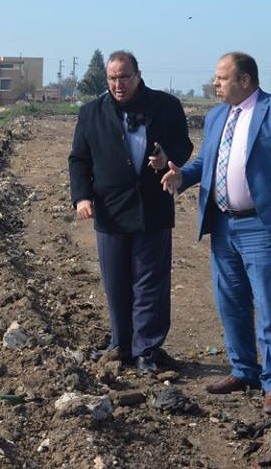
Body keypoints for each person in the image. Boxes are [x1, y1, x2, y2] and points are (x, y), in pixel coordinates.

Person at [161, 52, 271, 414]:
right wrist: (182, 176)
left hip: (263, 226)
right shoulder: (218, 115)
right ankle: (244, 370)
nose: (214, 83)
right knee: (230, 303)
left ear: (245, 80)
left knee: (270, 307)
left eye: (221, 78)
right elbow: (208, 161)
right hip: (223, 224)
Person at [69, 51, 193, 375]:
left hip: (153, 208)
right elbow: (79, 160)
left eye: (124, 77)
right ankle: (120, 345)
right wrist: (82, 197)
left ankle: (146, 350)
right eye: (112, 78)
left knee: (150, 283)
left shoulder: (166, 106)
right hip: (111, 211)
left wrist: (167, 155)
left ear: (138, 75)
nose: (118, 84)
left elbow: (184, 145)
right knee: (116, 282)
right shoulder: (91, 113)